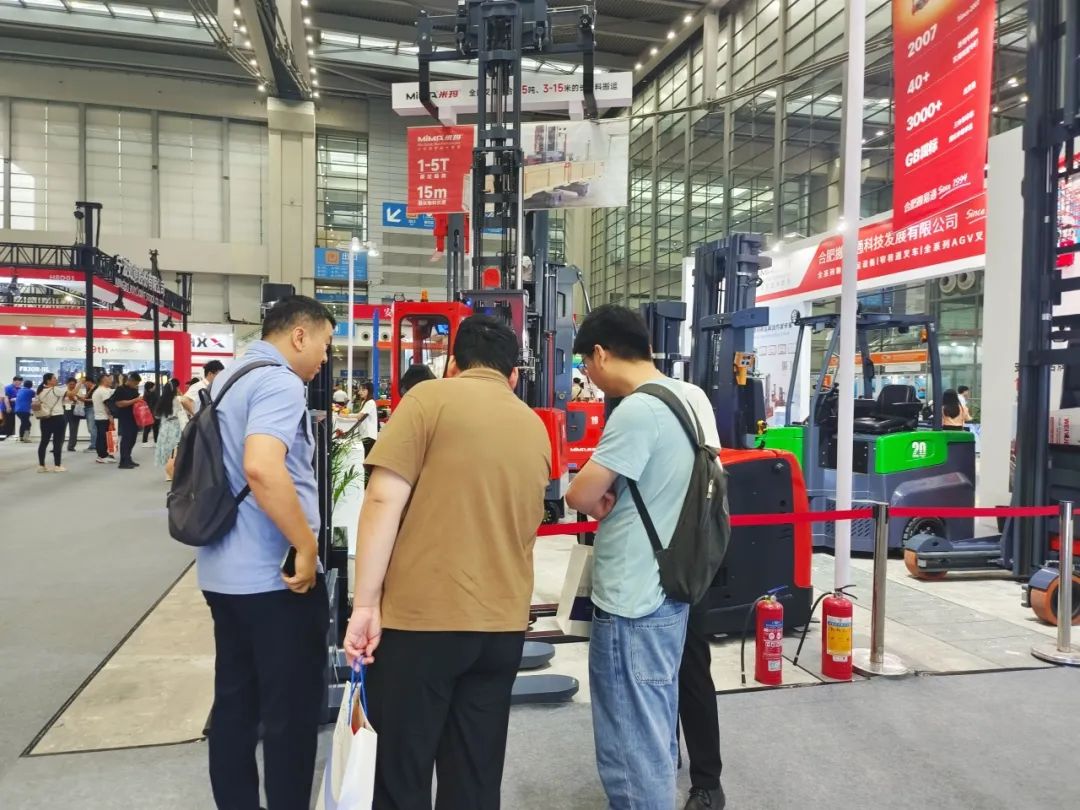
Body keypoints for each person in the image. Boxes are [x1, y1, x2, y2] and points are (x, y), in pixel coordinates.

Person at [344, 314, 551, 810]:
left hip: (422, 624)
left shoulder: (427, 400)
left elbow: (382, 500)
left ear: (453, 364)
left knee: (402, 773)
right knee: (474, 777)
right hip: (501, 629)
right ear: (513, 374)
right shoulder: (534, 425)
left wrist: (365, 604)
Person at [197, 295, 333, 810]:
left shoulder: (229, 378)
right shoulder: (280, 382)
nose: (324, 357)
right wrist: (305, 544)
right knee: (290, 714)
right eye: (324, 344)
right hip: (275, 581)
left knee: (235, 705)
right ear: (299, 335)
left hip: (221, 572)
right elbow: (261, 466)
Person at [565, 304, 702, 810]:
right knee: (655, 725)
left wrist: (596, 498)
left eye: (586, 365)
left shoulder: (638, 410)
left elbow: (580, 494)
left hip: (631, 597)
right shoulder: (692, 398)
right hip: (672, 585)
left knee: (629, 742)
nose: (590, 376)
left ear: (600, 354)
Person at [155, 380, 188, 480]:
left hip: (164, 427)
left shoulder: (161, 401)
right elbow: (183, 410)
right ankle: (173, 471)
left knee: (166, 449)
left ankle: (168, 473)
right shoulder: (177, 400)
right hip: (175, 426)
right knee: (175, 450)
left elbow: (157, 416)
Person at [35, 373, 68, 473]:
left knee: (44, 442)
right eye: (54, 378)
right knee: (57, 442)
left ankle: (41, 465)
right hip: (58, 418)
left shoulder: (40, 391)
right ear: (48, 380)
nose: (56, 379)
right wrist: (80, 383)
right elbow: (72, 393)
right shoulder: (55, 389)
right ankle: (57, 466)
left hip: (45, 418)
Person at [110, 372, 144, 469]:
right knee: (126, 439)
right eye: (135, 383)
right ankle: (123, 461)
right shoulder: (120, 389)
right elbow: (119, 404)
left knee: (132, 439)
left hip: (134, 417)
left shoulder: (134, 390)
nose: (136, 385)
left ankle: (128, 458)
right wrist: (135, 400)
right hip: (125, 417)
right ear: (130, 380)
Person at [355, 381, 378, 484]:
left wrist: (345, 416)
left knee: (367, 462)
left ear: (369, 391)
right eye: (360, 390)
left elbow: (360, 416)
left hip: (369, 436)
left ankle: (368, 484)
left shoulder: (370, 402)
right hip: (365, 435)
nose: (360, 392)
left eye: (363, 390)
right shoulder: (365, 402)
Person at [91, 374, 116, 463]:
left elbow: (114, 391)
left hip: (99, 417)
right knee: (103, 438)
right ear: (104, 381)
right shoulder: (103, 391)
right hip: (103, 418)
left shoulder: (101, 390)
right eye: (108, 379)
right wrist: (110, 416)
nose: (110, 381)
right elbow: (107, 405)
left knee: (102, 437)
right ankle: (102, 456)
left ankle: (103, 454)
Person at [62, 377, 81, 452]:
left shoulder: (78, 391)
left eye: (74, 384)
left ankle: (71, 446)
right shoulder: (63, 391)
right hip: (64, 409)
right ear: (67, 384)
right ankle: (57, 446)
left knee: (74, 429)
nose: (72, 386)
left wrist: (75, 399)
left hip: (74, 409)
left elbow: (81, 400)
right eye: (70, 384)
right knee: (61, 429)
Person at [2, 375, 20, 441]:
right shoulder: (8, 388)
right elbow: (6, 398)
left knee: (12, 424)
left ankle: (8, 436)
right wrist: (8, 407)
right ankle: (4, 437)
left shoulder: (19, 388)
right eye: (17, 382)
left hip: (14, 409)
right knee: (7, 424)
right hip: (7, 409)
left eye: (20, 383)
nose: (18, 384)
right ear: (14, 381)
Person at [141, 380, 160, 447]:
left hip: (148, 413)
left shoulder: (145, 394)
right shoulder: (153, 394)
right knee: (154, 428)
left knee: (147, 428)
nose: (154, 387)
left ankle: (145, 442)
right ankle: (155, 441)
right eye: (153, 386)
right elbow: (156, 404)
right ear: (150, 387)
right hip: (153, 413)